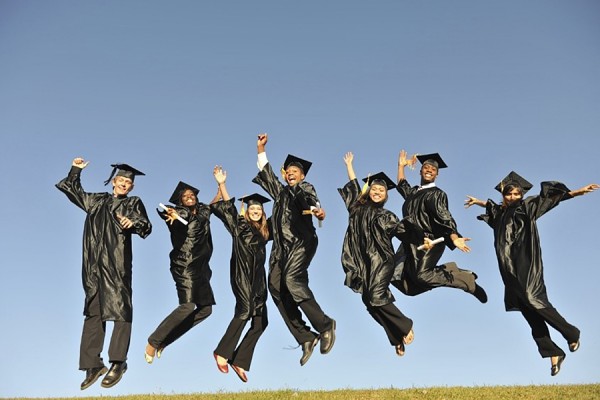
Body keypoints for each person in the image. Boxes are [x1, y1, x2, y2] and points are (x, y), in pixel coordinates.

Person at [464, 171, 599, 376]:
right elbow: (493, 208)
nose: (512, 197)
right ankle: (553, 353)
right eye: (509, 194)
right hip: (508, 269)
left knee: (532, 298)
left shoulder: (527, 207)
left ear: (520, 195)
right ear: (504, 195)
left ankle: (571, 333)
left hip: (527, 263)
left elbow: (552, 200)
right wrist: (479, 202)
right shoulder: (499, 215)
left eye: (516, 194)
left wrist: (578, 192)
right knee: (526, 308)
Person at [56, 158, 152, 390]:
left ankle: (118, 363)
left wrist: (133, 222)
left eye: (128, 182)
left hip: (116, 265)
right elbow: (71, 189)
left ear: (132, 187)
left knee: (120, 311)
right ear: (113, 181)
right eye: (121, 180)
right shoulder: (96, 201)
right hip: (92, 266)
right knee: (93, 313)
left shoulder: (133, 203)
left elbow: (145, 225)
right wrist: (76, 169)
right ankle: (92, 365)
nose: (124, 184)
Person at [338, 152, 435, 356]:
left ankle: (405, 325)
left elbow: (404, 232)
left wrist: (422, 239)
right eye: (374, 188)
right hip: (361, 262)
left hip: (382, 262)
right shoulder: (356, 209)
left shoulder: (387, 216)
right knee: (369, 302)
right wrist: (350, 166)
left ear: (386, 195)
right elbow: (354, 185)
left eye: (381, 190)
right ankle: (396, 337)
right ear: (369, 191)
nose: (377, 192)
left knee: (376, 295)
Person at [252, 133, 336, 366]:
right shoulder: (280, 194)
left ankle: (325, 324)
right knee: (276, 287)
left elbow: (310, 200)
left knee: (292, 280)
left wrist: (317, 209)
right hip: (280, 249)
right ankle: (306, 337)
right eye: (288, 171)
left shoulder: (304, 187)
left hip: (301, 243)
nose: (290, 173)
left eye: (295, 171)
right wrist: (261, 148)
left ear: (302, 175)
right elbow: (266, 171)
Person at [393, 150, 487, 303]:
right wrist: (400, 166)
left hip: (430, 241)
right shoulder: (414, 192)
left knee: (422, 276)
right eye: (426, 167)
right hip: (411, 241)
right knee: (403, 283)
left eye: (433, 169)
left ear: (437, 174)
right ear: (420, 170)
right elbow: (402, 185)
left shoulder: (437, 194)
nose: (429, 170)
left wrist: (455, 238)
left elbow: (445, 218)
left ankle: (465, 280)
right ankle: (450, 270)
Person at [144, 180, 220, 364]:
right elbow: (171, 214)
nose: (189, 197)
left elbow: (213, 204)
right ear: (180, 200)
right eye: (185, 196)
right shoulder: (179, 213)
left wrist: (220, 186)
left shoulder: (203, 212)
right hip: (184, 265)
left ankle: (165, 341)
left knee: (206, 310)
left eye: (192, 195)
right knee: (187, 306)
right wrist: (171, 213)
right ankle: (153, 342)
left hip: (202, 268)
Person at [211, 166, 271, 383]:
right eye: (252, 209)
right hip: (242, 276)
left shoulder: (265, 231)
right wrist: (222, 184)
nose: (256, 211)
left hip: (259, 281)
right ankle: (222, 352)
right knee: (244, 311)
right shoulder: (239, 225)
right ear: (247, 211)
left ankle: (240, 360)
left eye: (259, 210)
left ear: (263, 213)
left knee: (261, 322)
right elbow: (229, 207)